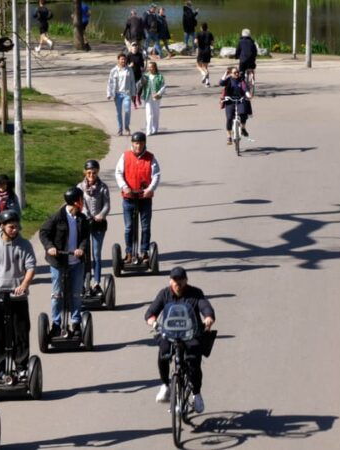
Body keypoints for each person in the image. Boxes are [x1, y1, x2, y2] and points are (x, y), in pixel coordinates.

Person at [145, 267, 215, 414]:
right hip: (170, 335)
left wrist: (208, 317)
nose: (178, 283)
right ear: (170, 281)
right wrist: (153, 321)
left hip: (190, 335)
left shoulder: (195, 293)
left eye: (180, 280)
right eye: (175, 280)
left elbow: (205, 307)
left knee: (194, 362)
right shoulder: (164, 294)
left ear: (186, 280)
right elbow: (150, 313)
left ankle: (197, 394)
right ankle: (165, 385)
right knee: (163, 354)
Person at [0, 209, 36, 374]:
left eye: (17, 226)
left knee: (21, 332)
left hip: (18, 296)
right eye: (11, 227)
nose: (15, 229)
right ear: (2, 226)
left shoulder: (25, 244)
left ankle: (21, 367)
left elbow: (30, 267)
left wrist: (24, 285)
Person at [39, 187, 89, 338]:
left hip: (76, 262)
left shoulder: (82, 219)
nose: (82, 202)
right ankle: (56, 323)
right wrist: (50, 247)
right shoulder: (57, 217)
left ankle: (75, 322)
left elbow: (85, 237)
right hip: (58, 262)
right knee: (57, 295)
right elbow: (43, 233)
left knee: (75, 294)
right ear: (75, 201)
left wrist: (81, 248)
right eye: (81, 199)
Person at [114, 132, 161, 264]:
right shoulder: (125, 156)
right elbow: (118, 173)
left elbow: (156, 175)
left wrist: (150, 189)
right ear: (132, 143)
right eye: (136, 143)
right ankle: (129, 253)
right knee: (129, 227)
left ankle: (144, 252)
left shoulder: (150, 158)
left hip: (144, 198)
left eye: (140, 143)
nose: (138, 146)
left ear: (144, 143)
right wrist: (124, 187)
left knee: (145, 227)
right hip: (129, 198)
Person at [77, 160, 111, 295]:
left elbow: (107, 205)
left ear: (98, 172)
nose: (91, 175)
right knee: (85, 255)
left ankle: (96, 283)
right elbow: (80, 204)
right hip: (85, 223)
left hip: (98, 225)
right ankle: (84, 283)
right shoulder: (80, 187)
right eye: (89, 172)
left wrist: (100, 215)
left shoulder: (103, 187)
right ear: (85, 172)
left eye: (94, 172)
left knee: (96, 254)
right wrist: (86, 214)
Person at [220, 66, 253, 145]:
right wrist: (225, 74)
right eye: (235, 72)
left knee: (243, 113)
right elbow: (221, 83)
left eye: (237, 72)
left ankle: (243, 128)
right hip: (229, 100)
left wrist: (248, 94)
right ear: (231, 74)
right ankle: (229, 136)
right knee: (229, 118)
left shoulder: (241, 80)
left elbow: (245, 88)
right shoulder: (228, 80)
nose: (237, 74)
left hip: (240, 99)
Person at [107, 53, 136, 136]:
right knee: (118, 112)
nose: (123, 61)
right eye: (121, 59)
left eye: (124, 59)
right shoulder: (113, 70)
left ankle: (126, 127)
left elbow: (132, 82)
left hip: (127, 93)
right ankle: (120, 129)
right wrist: (109, 93)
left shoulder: (129, 70)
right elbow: (110, 83)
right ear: (118, 60)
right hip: (117, 94)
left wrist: (133, 93)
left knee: (127, 110)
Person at [140, 61, 166, 135]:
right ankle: (148, 130)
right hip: (147, 96)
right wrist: (142, 77)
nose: (150, 68)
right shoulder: (146, 75)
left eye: (151, 67)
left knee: (156, 113)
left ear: (155, 67)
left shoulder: (159, 76)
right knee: (149, 113)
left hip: (156, 97)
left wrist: (158, 93)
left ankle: (155, 129)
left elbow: (163, 86)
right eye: (149, 67)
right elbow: (141, 84)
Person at [126, 41, 145, 108]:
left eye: (135, 47)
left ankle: (138, 97)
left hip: (138, 73)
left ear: (137, 48)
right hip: (131, 74)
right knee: (133, 90)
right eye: (133, 47)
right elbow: (125, 66)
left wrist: (142, 67)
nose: (134, 48)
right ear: (131, 48)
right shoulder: (128, 55)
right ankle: (134, 103)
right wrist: (129, 66)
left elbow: (142, 63)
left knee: (140, 87)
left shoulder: (140, 54)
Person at [195, 22, 214, 86]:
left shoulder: (199, 33)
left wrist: (198, 44)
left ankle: (203, 73)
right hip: (208, 51)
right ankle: (207, 83)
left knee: (198, 65)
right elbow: (212, 43)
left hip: (201, 51)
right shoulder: (210, 34)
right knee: (205, 66)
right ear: (207, 27)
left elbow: (196, 41)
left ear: (201, 28)